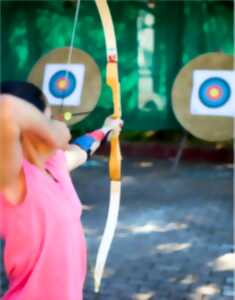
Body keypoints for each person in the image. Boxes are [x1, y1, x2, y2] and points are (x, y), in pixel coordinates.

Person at [0, 81, 122, 300]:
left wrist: (105, 130)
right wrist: (53, 132)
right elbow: (6, 108)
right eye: (48, 117)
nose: (56, 121)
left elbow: (80, 150)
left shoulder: (53, 163)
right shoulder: (11, 177)